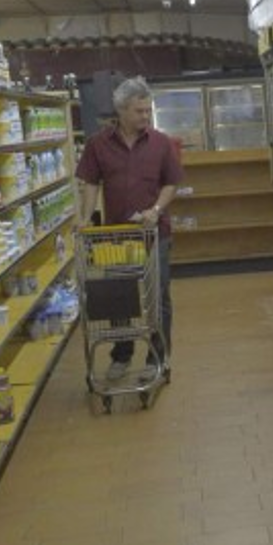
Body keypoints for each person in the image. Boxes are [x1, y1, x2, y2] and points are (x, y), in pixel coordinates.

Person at [75, 76, 182, 382]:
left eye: (148, 111)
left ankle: (157, 357)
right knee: (119, 295)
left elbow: (171, 183)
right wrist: (85, 218)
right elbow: (91, 182)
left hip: (154, 233)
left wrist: (156, 210)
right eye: (139, 111)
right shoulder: (99, 145)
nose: (145, 116)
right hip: (117, 236)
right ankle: (122, 355)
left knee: (158, 296)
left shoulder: (160, 142)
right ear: (121, 110)